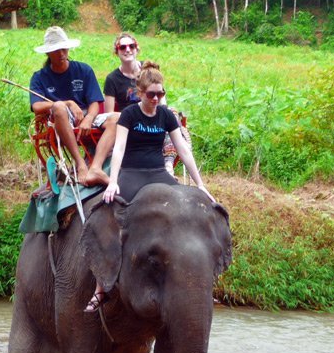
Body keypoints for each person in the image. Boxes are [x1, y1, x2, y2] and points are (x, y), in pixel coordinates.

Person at [85, 61, 212, 312]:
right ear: (140, 93)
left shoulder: (165, 116)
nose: (156, 98)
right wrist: (113, 182)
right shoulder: (130, 114)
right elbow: (119, 147)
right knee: (114, 216)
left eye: (160, 93)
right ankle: (101, 287)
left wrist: (200, 184)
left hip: (157, 173)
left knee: (186, 212)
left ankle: (196, 282)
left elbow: (183, 150)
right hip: (132, 173)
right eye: (151, 94)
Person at [29, 26, 105, 184]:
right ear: (48, 53)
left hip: (85, 115)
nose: (62, 53)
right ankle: (80, 163)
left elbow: (95, 102)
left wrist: (89, 118)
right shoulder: (39, 77)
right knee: (58, 106)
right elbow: (36, 107)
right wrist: (68, 103)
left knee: (117, 118)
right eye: (56, 50)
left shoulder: (84, 70)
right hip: (59, 118)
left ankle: (97, 166)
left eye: (64, 48)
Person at [83, 33, 143, 186]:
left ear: (137, 49)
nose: (127, 50)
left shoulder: (148, 70)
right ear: (117, 51)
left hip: (150, 114)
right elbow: (109, 113)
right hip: (127, 119)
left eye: (131, 46)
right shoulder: (112, 79)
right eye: (122, 47)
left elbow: (160, 97)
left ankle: (167, 168)